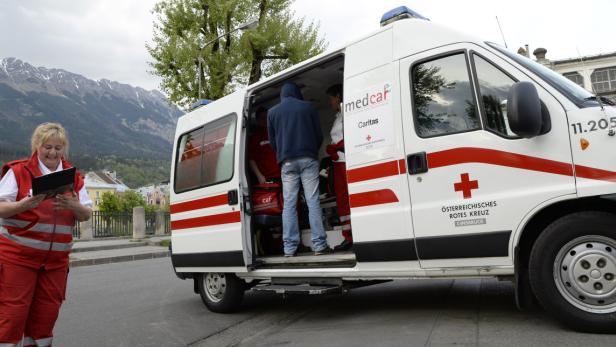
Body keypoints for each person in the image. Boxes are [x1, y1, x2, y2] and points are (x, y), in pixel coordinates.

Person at [0, 122, 92, 346]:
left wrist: (73, 205)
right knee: (13, 315)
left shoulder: (74, 177)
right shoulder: (19, 171)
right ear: (37, 147)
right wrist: (24, 204)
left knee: (46, 316)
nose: (52, 152)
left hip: (55, 263)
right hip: (17, 259)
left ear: (64, 149)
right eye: (47, 147)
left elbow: (86, 214)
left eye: (58, 148)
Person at [268, 82, 331, 256]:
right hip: (308, 158)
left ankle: (289, 247)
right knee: (313, 201)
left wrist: (284, 153)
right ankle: (319, 245)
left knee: (289, 204)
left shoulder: (272, 113)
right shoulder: (308, 107)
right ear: (297, 93)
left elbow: (273, 142)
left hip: (286, 162)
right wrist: (310, 151)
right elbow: (318, 135)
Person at [325, 84, 353, 252]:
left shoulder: (347, 112)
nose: (330, 102)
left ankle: (352, 236)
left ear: (338, 96)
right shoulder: (338, 116)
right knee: (342, 201)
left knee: (348, 199)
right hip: (338, 162)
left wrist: (336, 148)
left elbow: (351, 133)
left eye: (331, 98)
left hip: (345, 161)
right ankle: (348, 235)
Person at [248, 106, 281, 183]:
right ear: (257, 120)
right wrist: (259, 176)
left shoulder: (276, 133)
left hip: (283, 174)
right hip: (268, 178)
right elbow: (251, 160)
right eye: (262, 118)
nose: (265, 120)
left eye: (266, 117)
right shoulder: (254, 138)